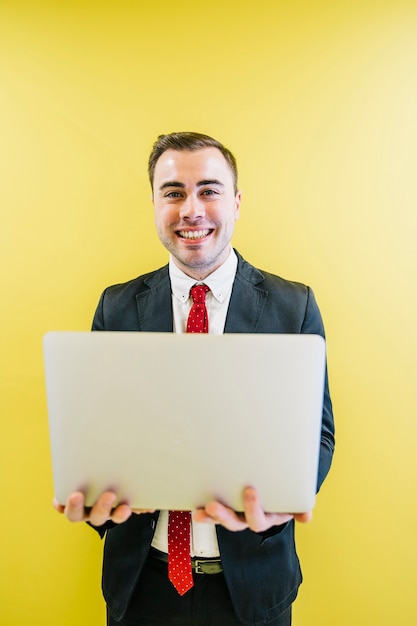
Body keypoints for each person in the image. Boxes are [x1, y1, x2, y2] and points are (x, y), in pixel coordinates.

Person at [54, 132, 335, 626]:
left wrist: (284, 500)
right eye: (174, 192)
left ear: (236, 202)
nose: (191, 209)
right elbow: (99, 434)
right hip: (141, 582)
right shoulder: (117, 305)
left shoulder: (295, 305)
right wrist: (98, 503)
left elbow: (319, 434)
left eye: (208, 190)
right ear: (155, 203)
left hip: (253, 583)